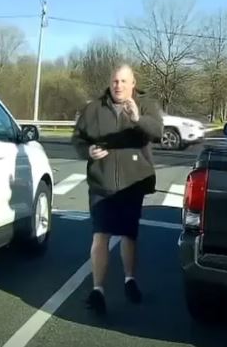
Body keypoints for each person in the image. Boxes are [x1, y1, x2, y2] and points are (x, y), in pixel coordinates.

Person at [71, 64, 163, 315]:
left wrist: (137, 119)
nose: (118, 86)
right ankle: (97, 290)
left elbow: (158, 132)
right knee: (100, 234)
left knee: (128, 234)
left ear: (133, 84)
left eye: (124, 81)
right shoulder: (94, 108)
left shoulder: (145, 105)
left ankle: (129, 279)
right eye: (115, 81)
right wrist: (87, 151)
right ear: (110, 83)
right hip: (101, 182)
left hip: (132, 182)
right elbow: (78, 138)